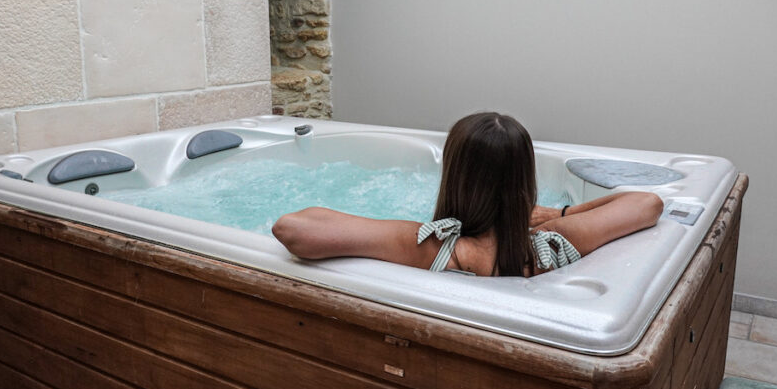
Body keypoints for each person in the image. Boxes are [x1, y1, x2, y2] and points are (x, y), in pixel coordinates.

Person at [272, 112, 664, 277]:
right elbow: (647, 203)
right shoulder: (551, 248)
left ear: (454, 176)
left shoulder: (428, 246)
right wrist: (556, 214)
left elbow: (293, 229)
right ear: (525, 181)